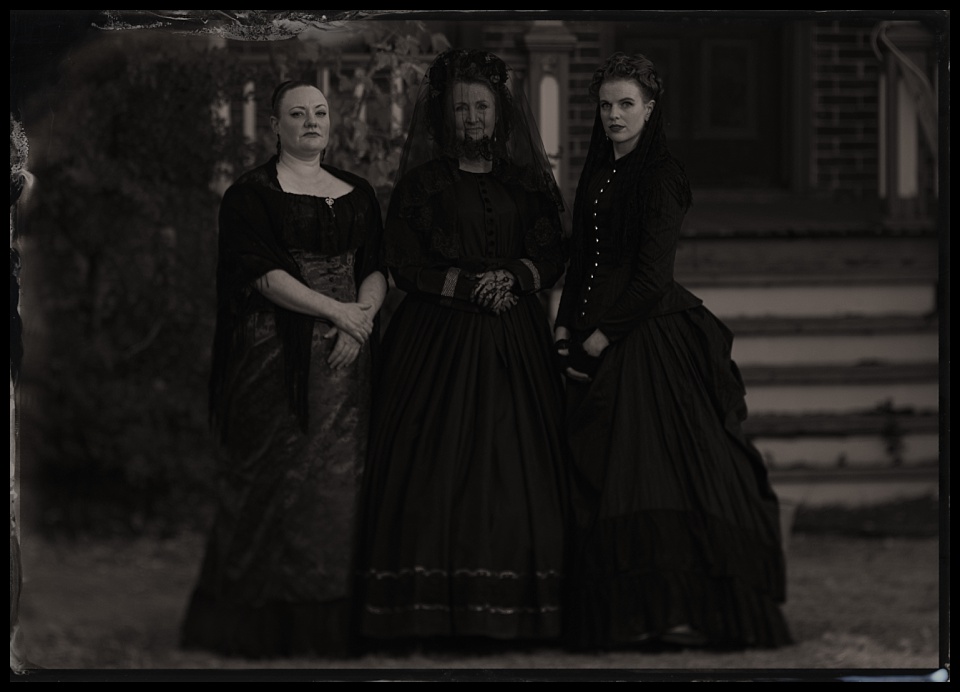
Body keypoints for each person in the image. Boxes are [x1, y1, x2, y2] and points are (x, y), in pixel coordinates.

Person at [554, 52, 792, 650]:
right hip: (587, 327)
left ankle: (679, 610)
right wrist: (563, 326)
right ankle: (627, 613)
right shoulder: (600, 166)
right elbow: (582, 253)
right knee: (603, 472)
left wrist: (603, 335)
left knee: (655, 470)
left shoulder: (662, 173)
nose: (613, 115)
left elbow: (653, 275)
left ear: (649, 108)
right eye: (605, 105)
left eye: (626, 104)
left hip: (646, 336)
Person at [356, 49, 569, 646]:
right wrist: (467, 286)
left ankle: (518, 610)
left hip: (516, 340)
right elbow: (403, 263)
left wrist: (517, 277)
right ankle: (428, 609)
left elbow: (554, 252)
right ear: (444, 116)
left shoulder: (526, 181)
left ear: (500, 111)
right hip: (438, 340)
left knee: (518, 462)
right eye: (461, 108)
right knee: (434, 467)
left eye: (482, 106)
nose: (473, 118)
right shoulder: (422, 185)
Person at [180, 80, 387, 658]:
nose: (311, 122)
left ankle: (329, 627)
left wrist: (361, 320)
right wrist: (339, 315)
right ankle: (259, 629)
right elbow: (264, 276)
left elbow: (377, 266)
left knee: (339, 493)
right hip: (277, 363)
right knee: (269, 484)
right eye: (297, 114)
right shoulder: (249, 196)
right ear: (275, 124)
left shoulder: (359, 192)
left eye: (319, 112)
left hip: (349, 361)